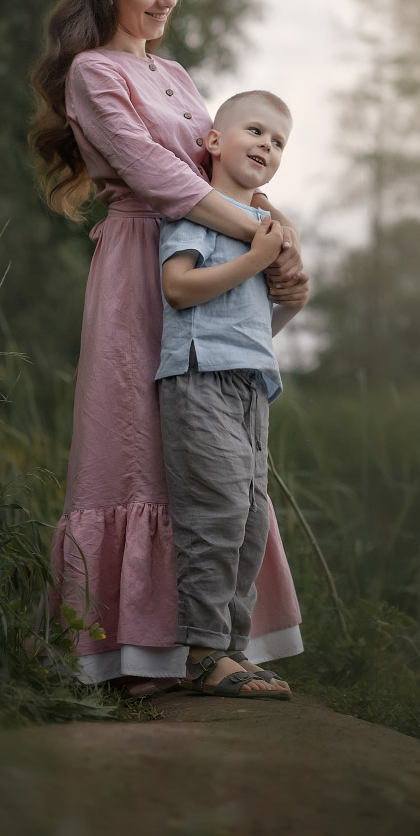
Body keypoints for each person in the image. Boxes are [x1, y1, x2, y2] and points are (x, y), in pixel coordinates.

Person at [29, 0, 304, 693]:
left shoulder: (177, 76)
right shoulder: (94, 74)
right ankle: (129, 652)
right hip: (136, 273)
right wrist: (261, 233)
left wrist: (278, 239)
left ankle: (201, 641)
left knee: (205, 462)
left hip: (206, 276)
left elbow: (222, 174)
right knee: (132, 447)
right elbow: (162, 178)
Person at [156, 90, 309, 698]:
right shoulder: (198, 210)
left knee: (248, 521)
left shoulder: (262, 229)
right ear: (214, 142)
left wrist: (289, 306)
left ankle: (232, 652)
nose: (267, 146)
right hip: (198, 378)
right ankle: (201, 654)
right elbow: (178, 288)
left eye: (278, 142)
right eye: (256, 130)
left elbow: (249, 329)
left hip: (249, 386)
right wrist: (257, 260)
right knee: (214, 516)